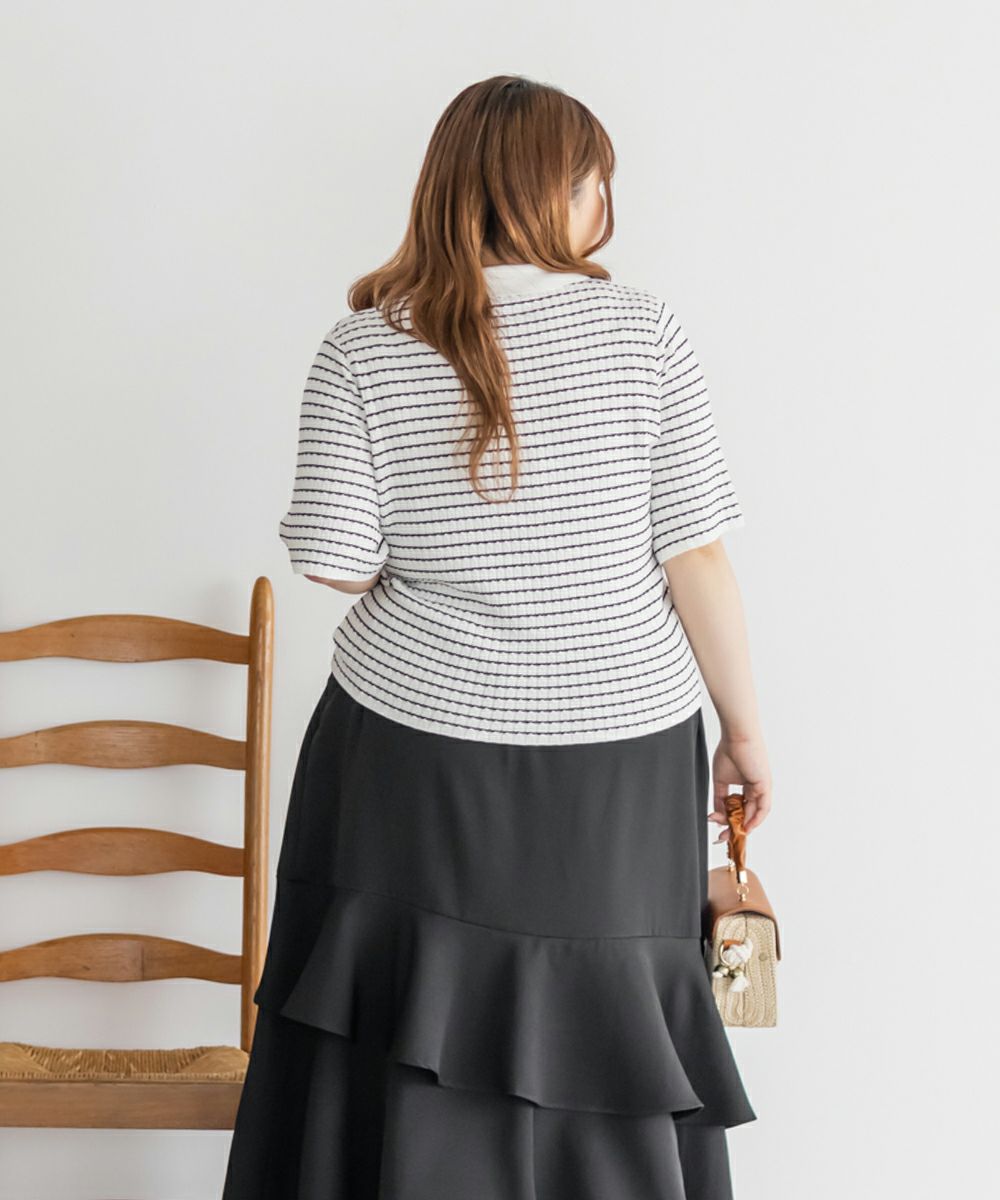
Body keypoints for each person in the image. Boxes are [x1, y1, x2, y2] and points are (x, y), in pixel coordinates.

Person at [222, 72, 772, 1200]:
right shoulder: (642, 332)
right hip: (618, 760)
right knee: (611, 1028)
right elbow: (698, 558)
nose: (603, 202)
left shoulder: (364, 347)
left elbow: (335, 562)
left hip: (409, 754)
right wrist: (746, 735)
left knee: (396, 1022)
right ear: (560, 193)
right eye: (595, 179)